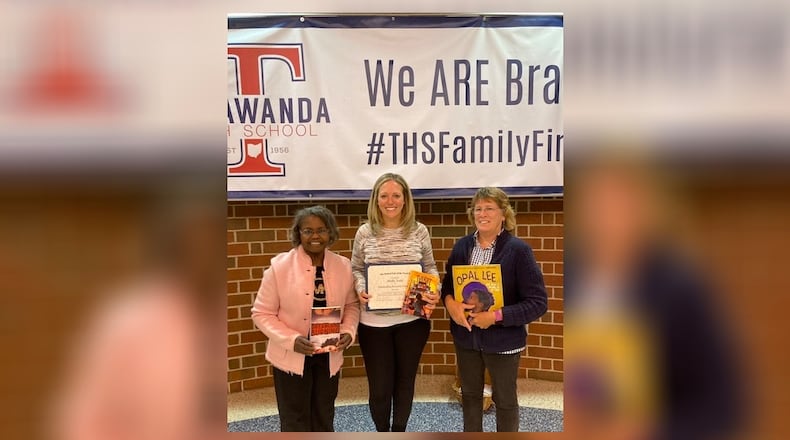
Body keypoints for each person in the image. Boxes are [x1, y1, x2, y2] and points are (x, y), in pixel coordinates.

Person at [441, 187, 548, 432]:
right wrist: (451, 305)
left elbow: (538, 302)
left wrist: (496, 317)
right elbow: (447, 287)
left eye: (489, 208)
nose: (482, 213)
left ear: (504, 213)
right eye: (478, 208)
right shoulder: (462, 247)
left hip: (504, 341)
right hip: (466, 338)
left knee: (505, 401)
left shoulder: (519, 251)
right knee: (469, 397)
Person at [251, 206, 360, 432]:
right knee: (294, 420)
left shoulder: (343, 266)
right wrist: (291, 339)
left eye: (321, 230)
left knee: (323, 415)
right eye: (308, 231)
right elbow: (261, 313)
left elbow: (351, 305)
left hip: (328, 355)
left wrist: (348, 331)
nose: (315, 236)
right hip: (291, 356)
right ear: (298, 234)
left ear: (331, 233)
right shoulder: (279, 267)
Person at [351, 173, 440, 432]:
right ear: (376, 200)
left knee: (405, 383)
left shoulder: (419, 231)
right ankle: (381, 432)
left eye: (396, 195)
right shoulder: (364, 232)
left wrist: (433, 288)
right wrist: (360, 287)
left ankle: (399, 431)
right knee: (380, 388)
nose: (390, 201)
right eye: (384, 195)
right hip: (373, 323)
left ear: (405, 199)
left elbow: (430, 267)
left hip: (411, 320)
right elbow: (356, 268)